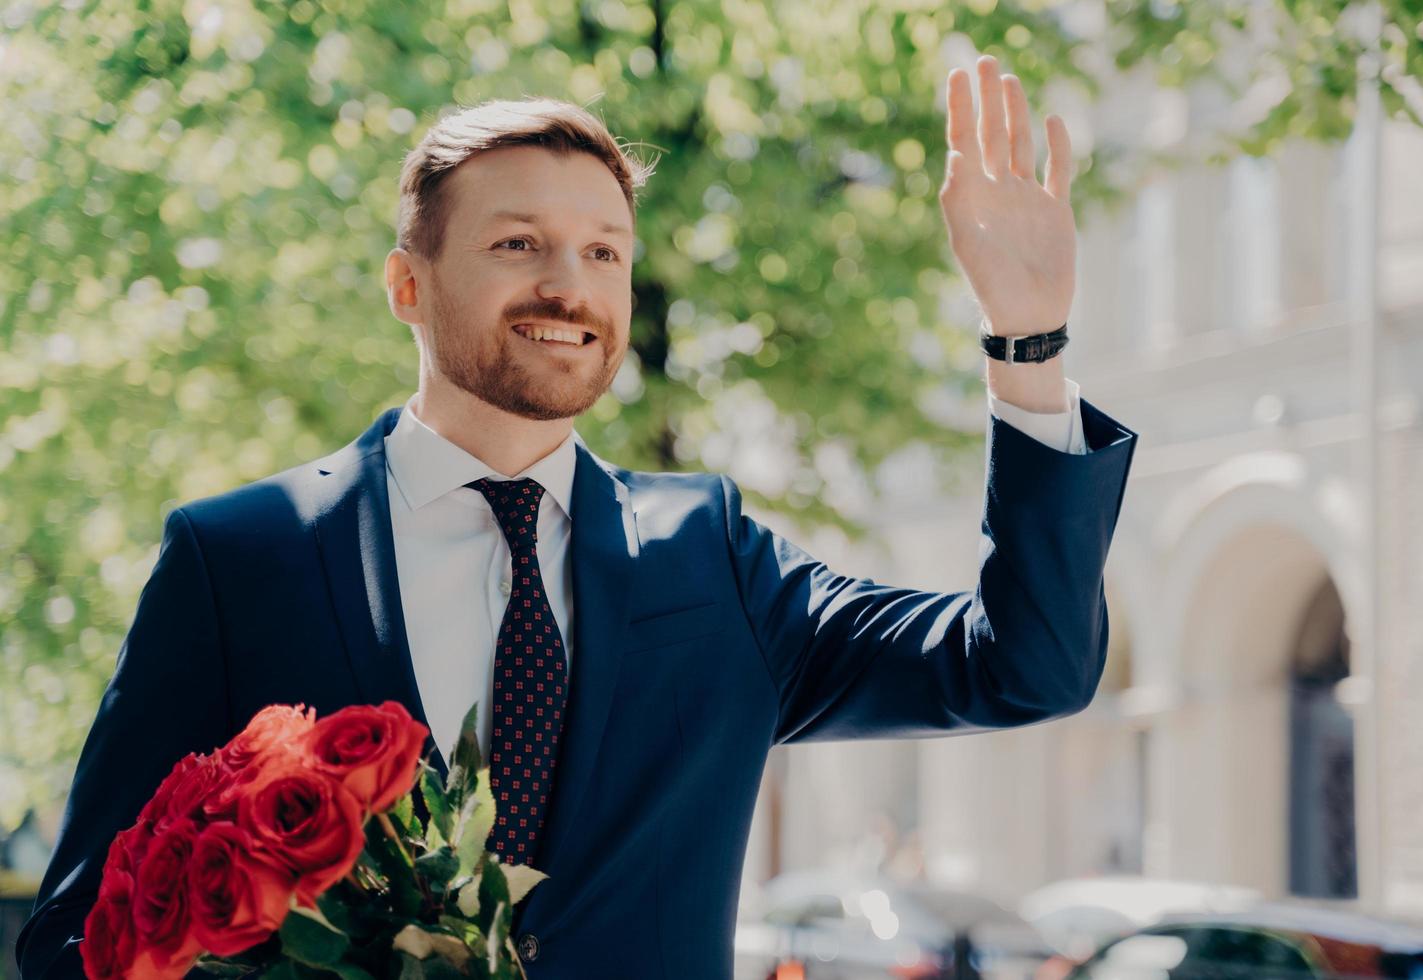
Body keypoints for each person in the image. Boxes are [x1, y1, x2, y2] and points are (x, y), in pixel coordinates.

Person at [17, 55, 1135, 978]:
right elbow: (81, 933)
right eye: (518, 244)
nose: (569, 283)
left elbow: (1024, 664)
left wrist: (1026, 343)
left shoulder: (717, 561)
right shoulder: (240, 556)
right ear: (408, 285)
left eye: (604, 250)